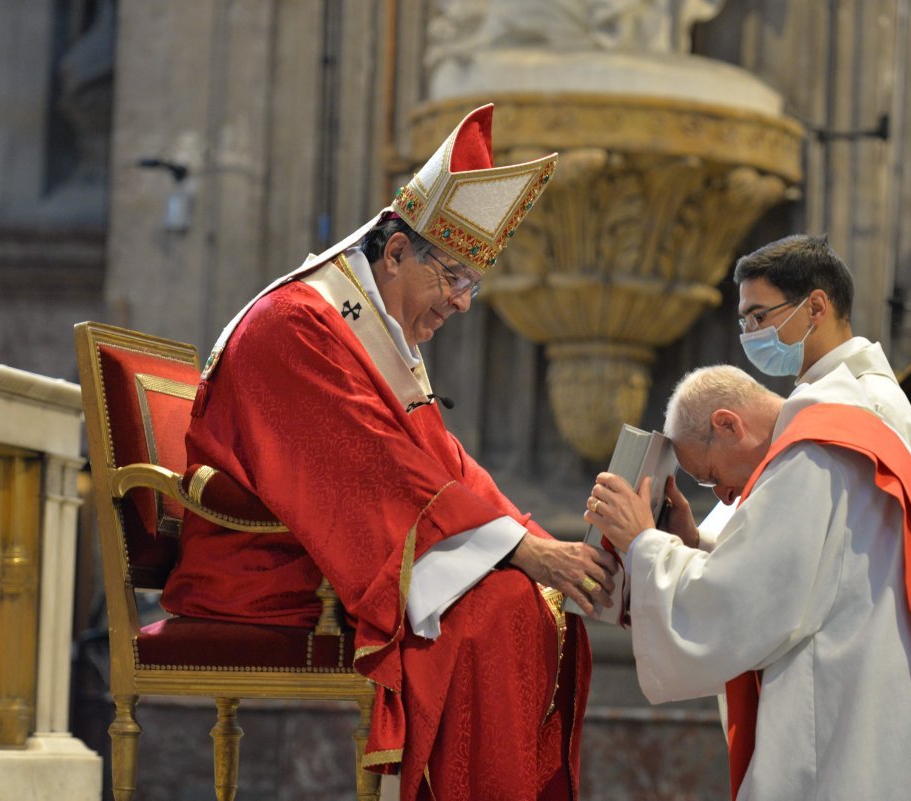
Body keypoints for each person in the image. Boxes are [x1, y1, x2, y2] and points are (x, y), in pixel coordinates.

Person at [162, 104, 615, 801]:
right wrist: (520, 552)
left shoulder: (374, 328)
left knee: (532, 600)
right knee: (495, 610)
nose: (462, 304)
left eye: (472, 284)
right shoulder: (299, 323)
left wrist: (536, 543)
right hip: (264, 568)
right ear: (397, 252)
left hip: (321, 549)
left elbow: (443, 466)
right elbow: (372, 471)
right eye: (454, 279)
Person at [585, 364, 911, 800]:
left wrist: (644, 542)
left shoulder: (807, 454)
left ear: (727, 424)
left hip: (848, 723)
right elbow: (790, 575)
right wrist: (694, 544)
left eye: (712, 476)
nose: (722, 496)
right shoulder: (830, 434)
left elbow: (740, 604)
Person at [694, 232, 911, 546]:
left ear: (816, 307)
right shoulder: (834, 395)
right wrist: (696, 543)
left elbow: (794, 557)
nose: (750, 334)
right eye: (745, 322)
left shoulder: (858, 406)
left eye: (759, 316)